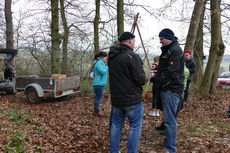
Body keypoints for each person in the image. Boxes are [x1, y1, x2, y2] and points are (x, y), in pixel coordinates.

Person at [108, 31, 146, 153]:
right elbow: (140, 79)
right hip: (132, 99)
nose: (134, 43)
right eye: (134, 41)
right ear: (130, 41)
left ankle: (114, 151)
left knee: (115, 126)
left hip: (117, 99)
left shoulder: (112, 57)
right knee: (135, 127)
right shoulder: (132, 56)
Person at [156, 28, 184, 153]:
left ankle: (170, 148)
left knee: (170, 120)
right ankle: (168, 142)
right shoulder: (169, 49)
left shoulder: (175, 50)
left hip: (171, 89)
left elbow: (171, 71)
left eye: (162, 39)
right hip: (166, 88)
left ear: (168, 38)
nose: (160, 41)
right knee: (168, 118)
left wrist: (161, 80)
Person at [92, 51, 109, 116]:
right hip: (98, 83)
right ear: (102, 57)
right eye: (105, 57)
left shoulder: (100, 62)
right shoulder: (99, 63)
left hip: (99, 83)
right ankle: (96, 112)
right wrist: (107, 67)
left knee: (98, 97)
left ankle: (96, 110)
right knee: (98, 98)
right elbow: (102, 71)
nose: (106, 58)